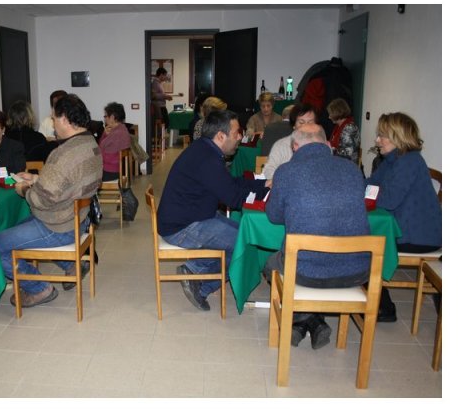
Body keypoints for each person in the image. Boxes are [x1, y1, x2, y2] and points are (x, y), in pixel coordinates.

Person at [263, 123, 370, 349]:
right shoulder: (352, 170)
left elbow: (273, 216)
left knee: (270, 265)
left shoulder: (286, 172)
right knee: (309, 263)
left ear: (294, 146)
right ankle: (312, 322)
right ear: (328, 144)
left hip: (306, 272)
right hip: (355, 271)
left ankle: (302, 321)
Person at [0, 94, 103, 308]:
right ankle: (72, 265)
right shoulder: (90, 143)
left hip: (58, 225)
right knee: (14, 229)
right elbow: (69, 183)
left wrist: (23, 189)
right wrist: (36, 179)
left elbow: (40, 200)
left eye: (53, 118)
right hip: (78, 220)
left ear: (64, 119)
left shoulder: (63, 154)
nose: (52, 123)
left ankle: (38, 289)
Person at [158, 110, 268, 311]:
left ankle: (195, 269)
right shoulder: (207, 159)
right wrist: (263, 192)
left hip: (191, 217)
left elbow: (229, 184)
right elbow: (233, 198)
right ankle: (199, 281)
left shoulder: (205, 150)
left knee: (241, 234)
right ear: (220, 136)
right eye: (236, 133)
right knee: (244, 243)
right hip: (182, 227)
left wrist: (262, 186)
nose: (240, 137)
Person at [366, 112, 442, 322]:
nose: (377, 140)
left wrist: (369, 193)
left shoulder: (410, 161)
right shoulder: (392, 159)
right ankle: (380, 304)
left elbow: (388, 200)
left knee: (363, 245)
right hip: (406, 228)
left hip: (421, 236)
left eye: (382, 135)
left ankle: (383, 307)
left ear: (397, 137)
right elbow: (370, 185)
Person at [263, 103, 317, 180]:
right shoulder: (281, 145)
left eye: (310, 122)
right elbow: (268, 170)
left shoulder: (321, 146)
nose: (306, 126)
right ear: (294, 125)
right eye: (301, 122)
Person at [99, 102, 131, 181]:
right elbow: (102, 146)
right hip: (115, 170)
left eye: (105, 116)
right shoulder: (121, 129)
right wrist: (105, 134)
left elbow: (103, 153)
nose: (105, 118)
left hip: (111, 172)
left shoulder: (117, 134)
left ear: (112, 117)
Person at [326, 98, 360, 164]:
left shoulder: (349, 128)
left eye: (331, 114)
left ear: (337, 113)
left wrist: (328, 149)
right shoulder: (338, 126)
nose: (329, 117)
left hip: (347, 165)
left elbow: (348, 153)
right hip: (338, 161)